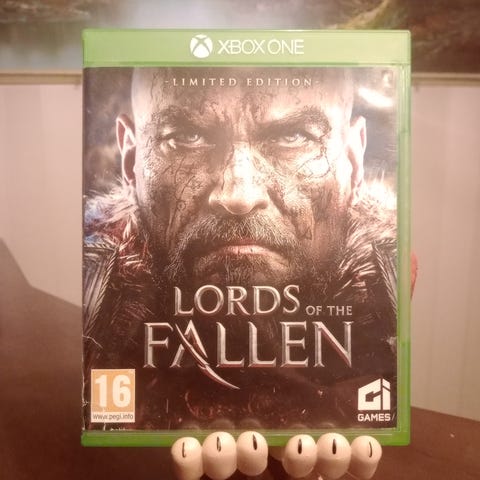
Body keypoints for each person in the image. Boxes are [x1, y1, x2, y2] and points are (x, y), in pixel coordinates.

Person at [83, 67, 400, 430]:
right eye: (185, 137)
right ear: (131, 161)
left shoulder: (384, 303)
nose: (239, 195)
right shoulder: (95, 307)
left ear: (353, 161)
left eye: (293, 136)